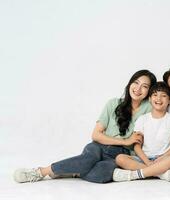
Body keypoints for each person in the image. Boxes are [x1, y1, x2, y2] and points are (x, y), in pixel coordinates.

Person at [13, 69, 157, 183]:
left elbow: (165, 99)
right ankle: (41, 171)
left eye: (144, 86)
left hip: (121, 155)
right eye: (136, 82)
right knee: (88, 159)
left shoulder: (150, 108)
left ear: (149, 92)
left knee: (104, 173)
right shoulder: (113, 103)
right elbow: (96, 135)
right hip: (99, 146)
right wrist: (125, 141)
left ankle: (74, 170)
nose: (138, 89)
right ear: (130, 83)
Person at [112, 81, 170, 182]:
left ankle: (136, 174)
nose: (158, 99)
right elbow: (136, 146)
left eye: (163, 96)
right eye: (155, 95)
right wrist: (147, 161)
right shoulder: (142, 119)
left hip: (164, 161)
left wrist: (162, 158)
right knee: (120, 158)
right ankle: (160, 174)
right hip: (144, 159)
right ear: (150, 99)